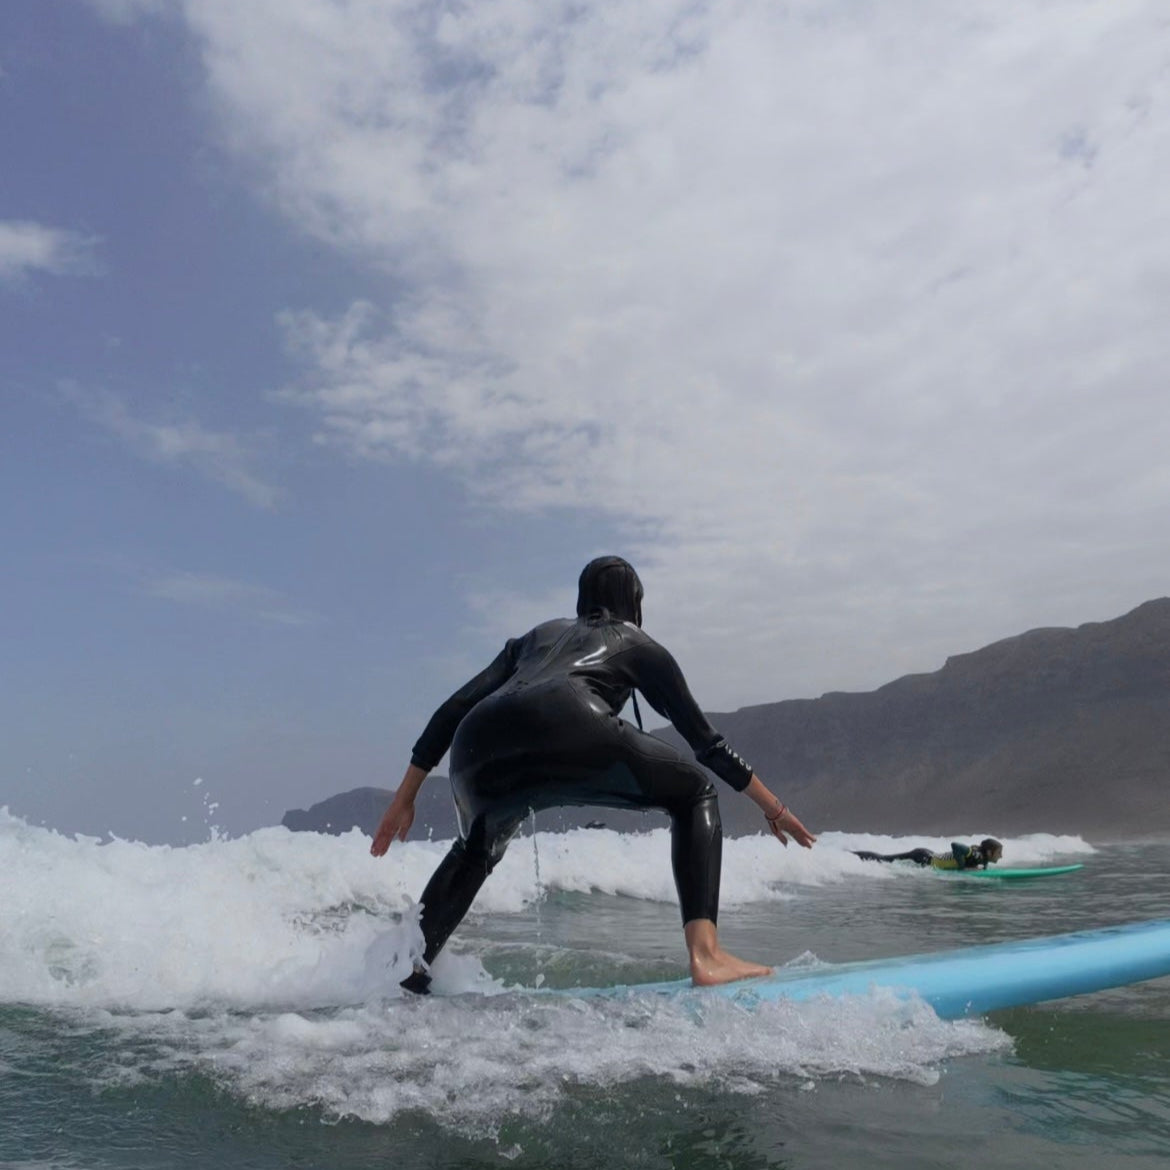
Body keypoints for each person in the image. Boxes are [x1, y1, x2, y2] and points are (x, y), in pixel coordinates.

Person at [371, 555, 816, 994]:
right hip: (571, 720)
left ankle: (404, 970)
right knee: (695, 793)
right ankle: (707, 956)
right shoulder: (637, 642)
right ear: (635, 603)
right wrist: (775, 808)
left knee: (474, 850)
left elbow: (453, 708)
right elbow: (708, 745)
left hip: (477, 745)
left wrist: (403, 797)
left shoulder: (536, 637)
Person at [852, 838, 1004, 870]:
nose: (1001, 856)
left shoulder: (983, 858)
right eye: (999, 853)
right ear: (989, 852)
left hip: (929, 855)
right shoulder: (976, 854)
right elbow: (955, 846)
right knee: (883, 859)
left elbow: (982, 863)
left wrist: (983, 868)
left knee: (884, 859)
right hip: (924, 857)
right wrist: (961, 868)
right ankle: (851, 856)